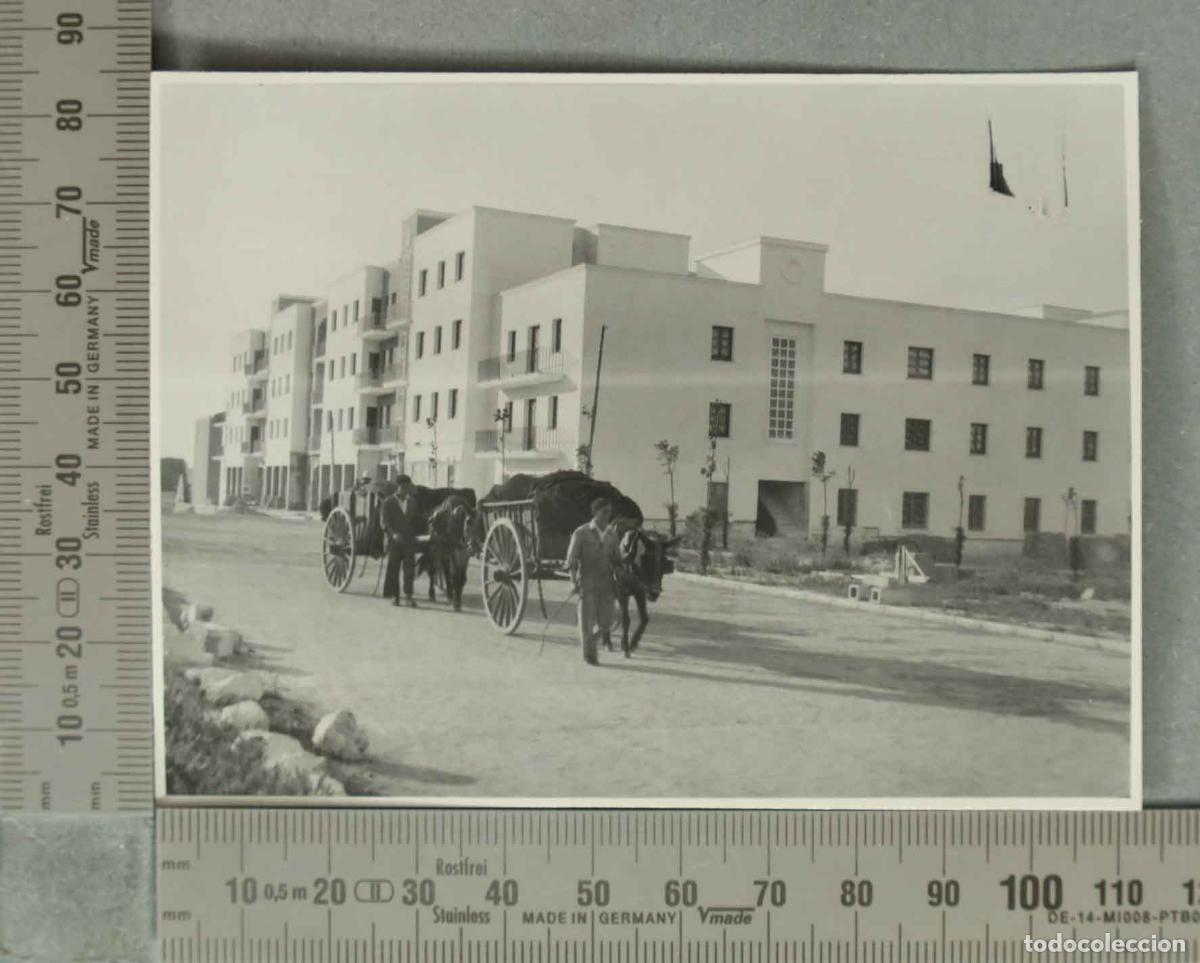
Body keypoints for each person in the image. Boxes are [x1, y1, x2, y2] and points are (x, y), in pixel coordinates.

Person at [565, 497, 621, 666]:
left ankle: (592, 642)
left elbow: (617, 561)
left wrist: (620, 579)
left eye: (610, 512)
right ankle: (589, 656)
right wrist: (573, 582)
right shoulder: (581, 533)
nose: (608, 515)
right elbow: (572, 560)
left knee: (607, 622)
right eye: (604, 512)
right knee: (586, 623)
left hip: (607, 583)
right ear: (595, 512)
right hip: (587, 582)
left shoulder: (612, 535)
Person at [382, 473, 423, 608]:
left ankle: (409, 596)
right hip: (395, 542)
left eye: (408, 488)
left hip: (409, 541)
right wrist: (393, 534)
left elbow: (417, 521)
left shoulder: (412, 503)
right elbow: (385, 522)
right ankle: (395, 596)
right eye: (403, 487)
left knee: (409, 569)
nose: (405, 490)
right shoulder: (389, 502)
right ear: (398, 487)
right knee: (394, 568)